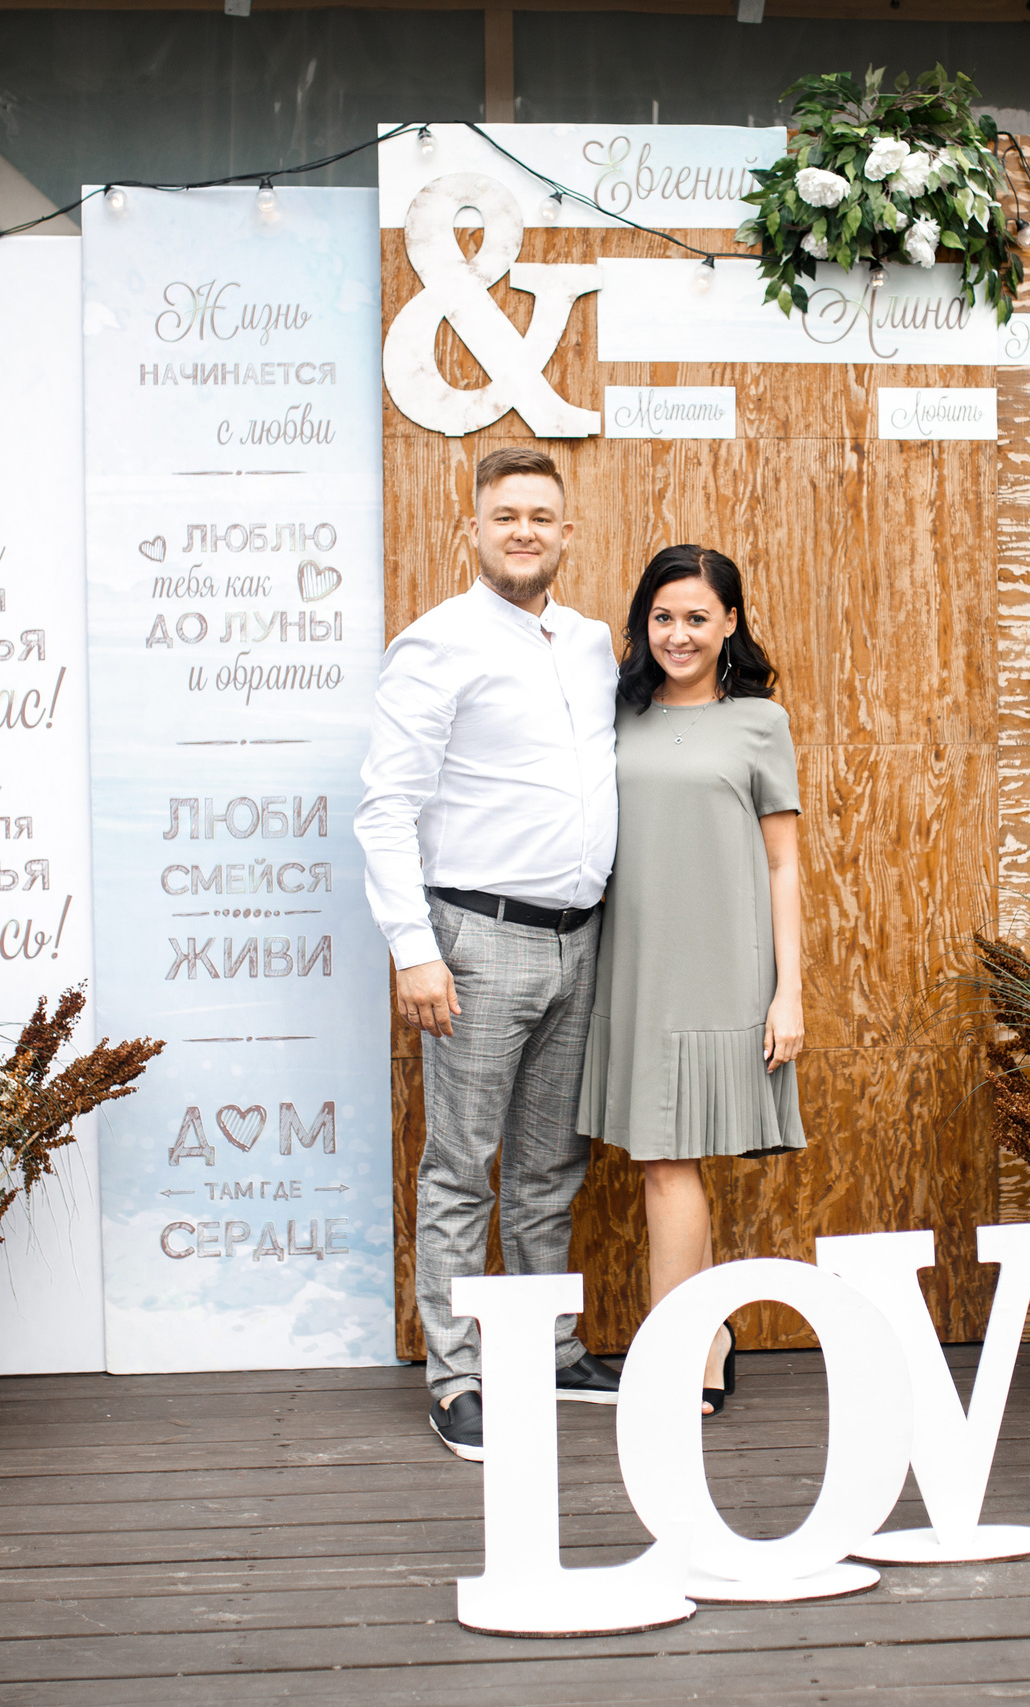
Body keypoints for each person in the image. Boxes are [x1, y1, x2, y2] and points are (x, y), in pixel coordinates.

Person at [356, 445, 626, 1464]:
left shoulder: (595, 644)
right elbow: (386, 811)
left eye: (540, 516)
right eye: (504, 515)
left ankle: (553, 1352)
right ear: (471, 530)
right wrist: (413, 952)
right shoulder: (435, 645)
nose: (523, 530)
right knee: (464, 1168)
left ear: (567, 533)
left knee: (553, 1164)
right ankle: (459, 1379)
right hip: (475, 942)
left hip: (581, 942)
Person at [578, 545, 804, 1417]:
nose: (678, 633)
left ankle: (682, 1343)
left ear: (731, 624)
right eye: (662, 616)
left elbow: (784, 864)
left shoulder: (761, 723)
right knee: (659, 1161)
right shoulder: (613, 713)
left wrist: (789, 991)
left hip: (721, 966)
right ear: (642, 623)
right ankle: (704, 1334)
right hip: (630, 964)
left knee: (671, 1160)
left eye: (697, 617)